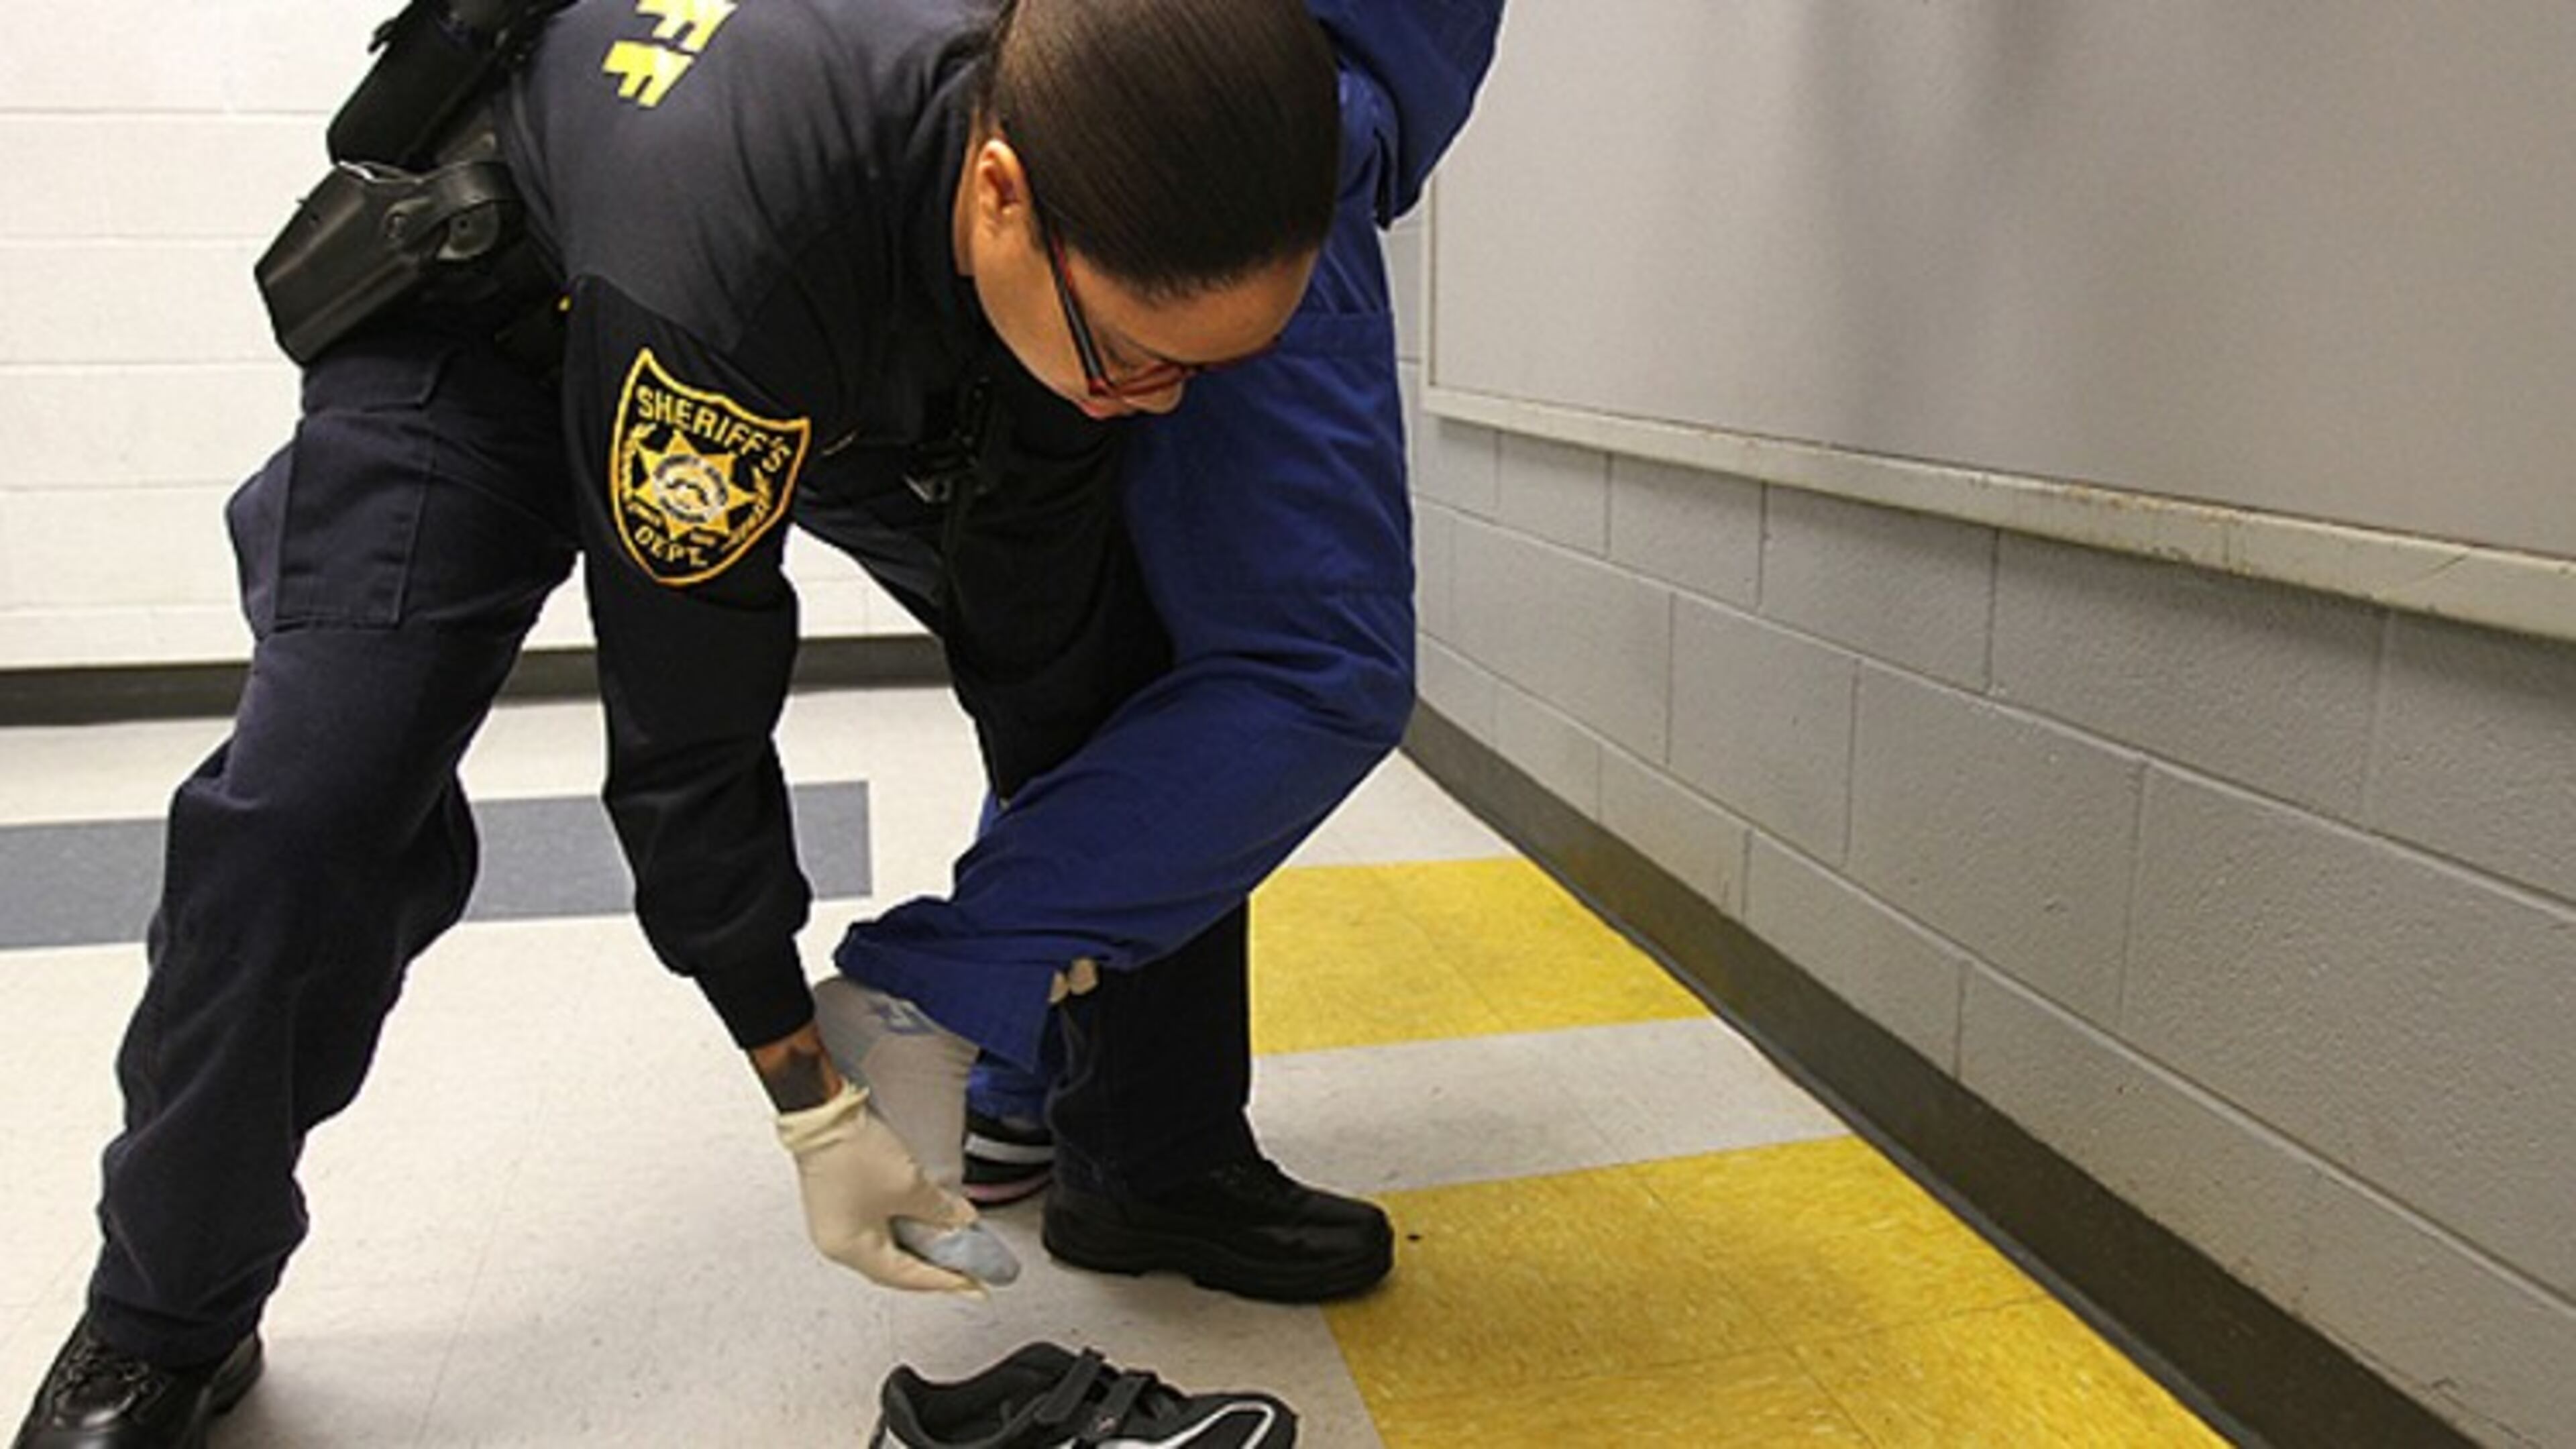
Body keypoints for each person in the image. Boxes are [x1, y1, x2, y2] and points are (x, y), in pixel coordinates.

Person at [8, 0, 1479, 1444]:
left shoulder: (1066, 212)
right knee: (314, 806)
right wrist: (812, 1098)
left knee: (1126, 686)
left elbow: (1043, 625)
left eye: (1201, 371)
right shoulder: (731, 279)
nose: (1163, 402)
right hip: (506, 330)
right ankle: (162, 1318)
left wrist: (1018, 945)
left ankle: (1146, 1157)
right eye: (1136, 358)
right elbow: (684, 751)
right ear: (1004, 196)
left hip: (869, 316)